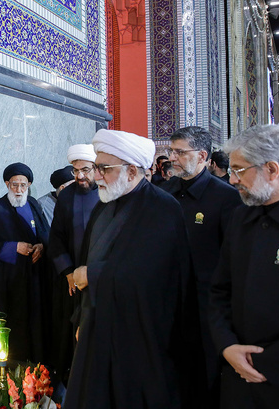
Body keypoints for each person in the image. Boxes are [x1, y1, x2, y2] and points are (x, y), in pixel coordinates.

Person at [63, 129, 204, 409]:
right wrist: (81, 317)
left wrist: (94, 275)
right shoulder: (104, 207)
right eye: (97, 168)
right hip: (97, 327)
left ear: (130, 171)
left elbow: (156, 275)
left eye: (104, 168)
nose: (97, 176)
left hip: (142, 337)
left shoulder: (163, 208)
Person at [210, 124, 279, 409]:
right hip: (237, 377)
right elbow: (219, 290)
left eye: (239, 171)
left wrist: (266, 362)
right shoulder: (241, 217)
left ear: (272, 169)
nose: (232, 180)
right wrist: (227, 346)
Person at [161, 126, 242, 407]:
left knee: (205, 381)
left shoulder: (226, 198)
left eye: (180, 152)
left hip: (206, 308)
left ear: (202, 155)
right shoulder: (163, 193)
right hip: (167, 304)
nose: (173, 157)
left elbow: (233, 259)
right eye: (171, 151)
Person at [0, 162, 49, 363]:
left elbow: (45, 233)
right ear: (6, 184)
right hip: (11, 280)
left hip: (35, 277)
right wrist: (14, 247)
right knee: (17, 323)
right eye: (14, 185)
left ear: (28, 185)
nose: (19, 190)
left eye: (23, 185)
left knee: (37, 322)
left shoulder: (34, 204)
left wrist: (41, 246)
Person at [46, 144, 99, 384]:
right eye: (75, 170)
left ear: (96, 168)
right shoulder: (67, 195)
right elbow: (55, 237)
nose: (80, 176)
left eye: (85, 170)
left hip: (101, 279)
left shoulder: (109, 193)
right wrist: (68, 272)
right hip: (71, 282)